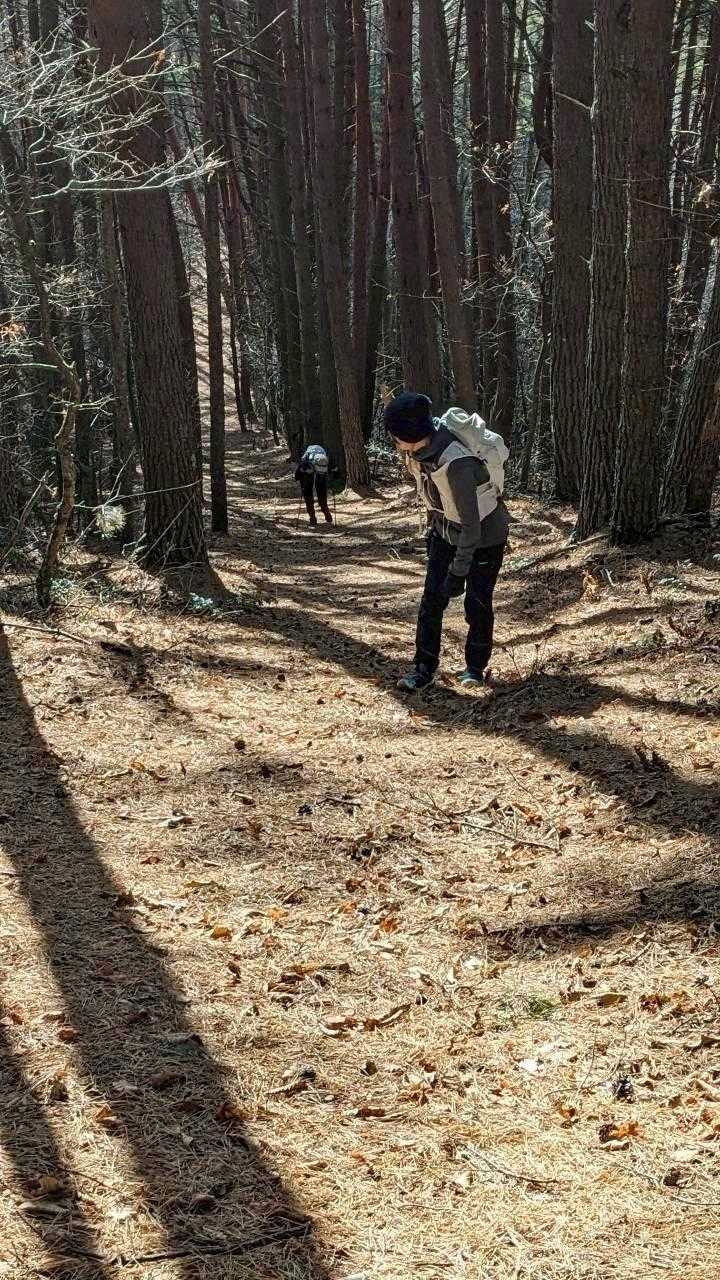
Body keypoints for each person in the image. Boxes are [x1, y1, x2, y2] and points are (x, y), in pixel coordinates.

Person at [384, 391, 509, 692]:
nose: (394, 442)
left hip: (485, 536)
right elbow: (435, 499)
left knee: (476, 603)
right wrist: (434, 533)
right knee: (431, 601)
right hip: (445, 531)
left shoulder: (457, 465)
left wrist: (458, 572)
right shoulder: (418, 454)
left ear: (411, 435)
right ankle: (423, 668)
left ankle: (474, 669)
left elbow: (472, 527)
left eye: (396, 435)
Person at [295, 445, 333, 527]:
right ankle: (323, 516)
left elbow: (296, 475)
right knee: (317, 495)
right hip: (312, 475)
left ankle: (316, 518)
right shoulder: (307, 463)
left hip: (314, 477)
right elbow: (297, 474)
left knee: (312, 496)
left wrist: (300, 476)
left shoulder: (323, 461)